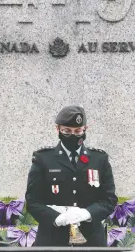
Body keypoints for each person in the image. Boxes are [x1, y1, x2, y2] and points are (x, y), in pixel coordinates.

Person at [25, 105, 118, 246]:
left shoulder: (99, 159)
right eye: (67, 131)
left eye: (78, 131)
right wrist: (57, 218)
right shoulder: (43, 159)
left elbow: (109, 199)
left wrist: (87, 214)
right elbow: (32, 200)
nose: (73, 135)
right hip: (52, 238)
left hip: (91, 239)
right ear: (57, 129)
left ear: (85, 129)